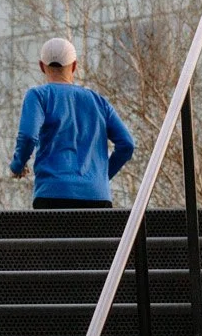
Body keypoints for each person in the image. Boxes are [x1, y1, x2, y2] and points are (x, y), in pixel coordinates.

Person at [9, 37, 135, 209]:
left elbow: (29, 136)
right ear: (74, 66)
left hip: (52, 194)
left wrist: (18, 165)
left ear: (41, 66)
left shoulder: (38, 96)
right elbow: (127, 144)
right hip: (97, 197)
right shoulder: (98, 101)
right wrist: (101, 177)